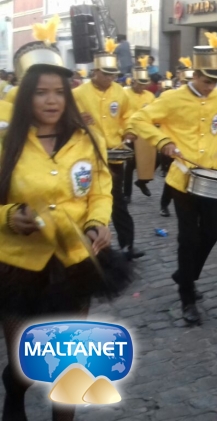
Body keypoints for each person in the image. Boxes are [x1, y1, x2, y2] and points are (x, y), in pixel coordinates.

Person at [0, 26, 130, 421]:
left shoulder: (86, 138)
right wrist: (10, 216)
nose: (52, 100)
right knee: (23, 361)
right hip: (18, 268)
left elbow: (100, 189)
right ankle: (14, 391)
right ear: (26, 95)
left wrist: (97, 222)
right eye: (41, 92)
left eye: (59, 91)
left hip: (74, 264)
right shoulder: (6, 142)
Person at [129, 34, 217, 325]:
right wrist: (163, 142)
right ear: (195, 75)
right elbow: (138, 120)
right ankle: (187, 296)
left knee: (211, 233)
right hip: (183, 180)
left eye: (215, 82)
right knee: (188, 239)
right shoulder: (171, 98)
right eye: (207, 81)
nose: (211, 87)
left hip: (211, 175)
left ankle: (185, 274)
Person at [73, 39, 142, 261]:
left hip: (113, 154)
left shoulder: (120, 92)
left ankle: (127, 244)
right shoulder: (78, 93)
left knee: (117, 200)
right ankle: (82, 246)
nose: (110, 78)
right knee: (83, 200)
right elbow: (66, 120)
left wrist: (129, 131)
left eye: (113, 74)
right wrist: (76, 120)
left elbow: (127, 116)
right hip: (85, 155)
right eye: (106, 74)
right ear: (95, 72)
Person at [123, 75, 156, 202]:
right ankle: (127, 193)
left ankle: (142, 181)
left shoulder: (150, 96)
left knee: (153, 159)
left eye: (144, 84)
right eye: (139, 84)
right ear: (133, 81)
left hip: (145, 132)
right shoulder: (125, 94)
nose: (142, 87)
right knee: (130, 163)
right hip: (130, 132)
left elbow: (154, 111)